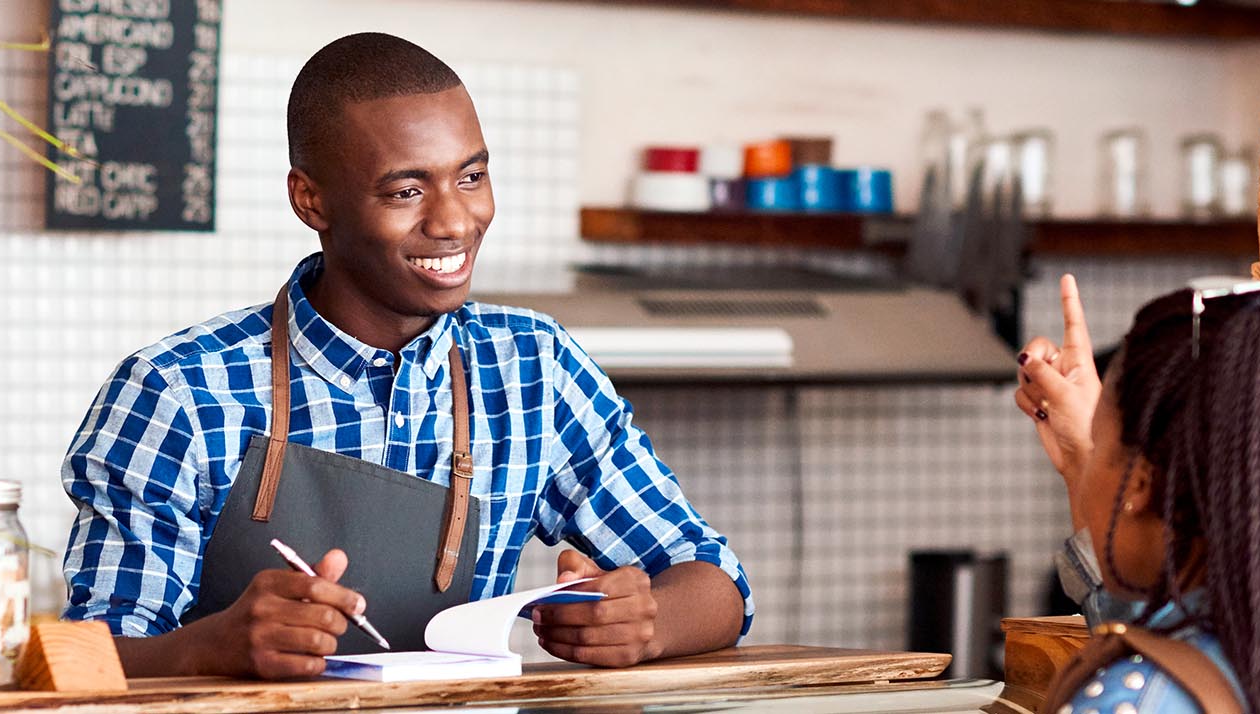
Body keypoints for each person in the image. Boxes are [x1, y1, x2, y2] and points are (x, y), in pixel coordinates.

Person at [60, 33, 752, 681]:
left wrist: (647, 622)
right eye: (406, 191)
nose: (454, 221)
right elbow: (89, 656)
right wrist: (208, 646)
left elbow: (714, 579)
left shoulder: (533, 367)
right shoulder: (178, 390)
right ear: (311, 199)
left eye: (471, 177)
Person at [1014, 274, 1260, 713]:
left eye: (1098, 441)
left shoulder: (1131, 700)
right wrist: (1087, 459)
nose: (1088, 465)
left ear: (1141, 483)